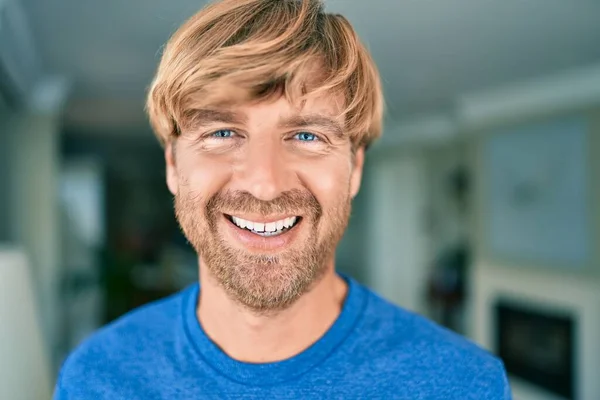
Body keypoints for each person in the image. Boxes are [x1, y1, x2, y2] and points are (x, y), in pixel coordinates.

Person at [54, 0, 511, 398]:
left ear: (354, 168)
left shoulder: (464, 385)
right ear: (173, 164)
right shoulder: (96, 378)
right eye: (223, 132)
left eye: (307, 134)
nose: (264, 183)